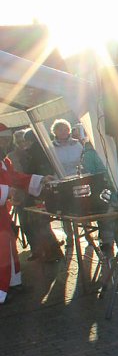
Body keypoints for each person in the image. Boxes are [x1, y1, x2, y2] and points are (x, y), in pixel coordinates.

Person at [0, 129, 50, 304]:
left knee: (9, 248)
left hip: (2, 214)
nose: (5, 144)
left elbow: (16, 177)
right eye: (2, 141)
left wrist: (41, 179)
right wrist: (6, 192)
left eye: (7, 140)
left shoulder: (5, 162)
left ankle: (12, 284)